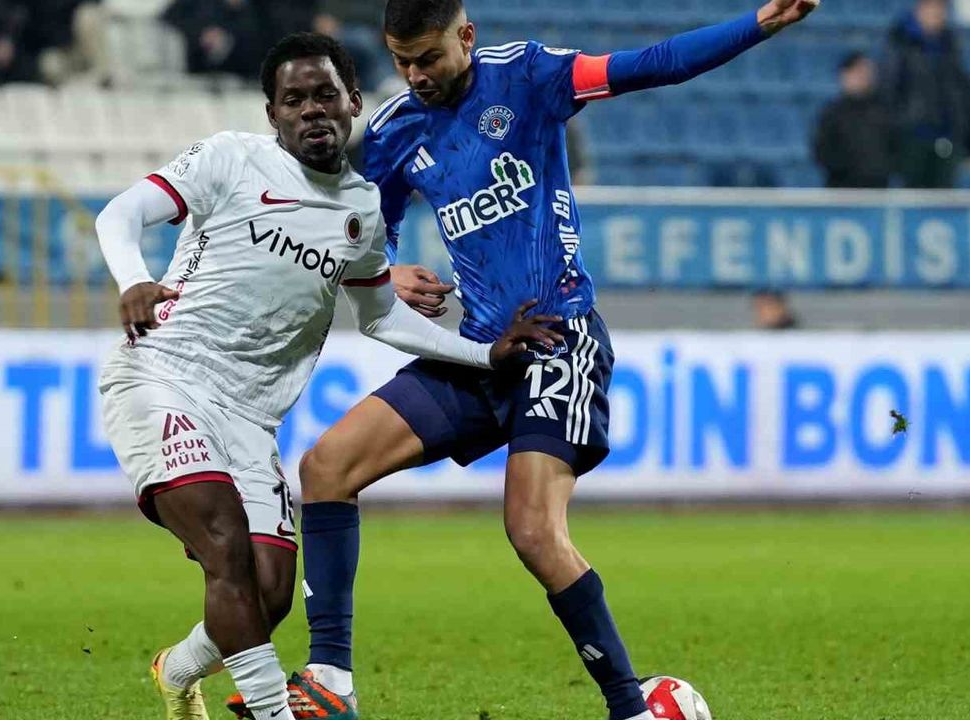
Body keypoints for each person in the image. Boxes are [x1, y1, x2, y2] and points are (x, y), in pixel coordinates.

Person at [249, 2, 819, 720]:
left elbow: (652, 65)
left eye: (429, 58)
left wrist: (757, 23)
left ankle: (630, 706)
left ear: (466, 36)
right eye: (402, 61)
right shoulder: (395, 130)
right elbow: (362, 233)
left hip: (559, 339)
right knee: (326, 467)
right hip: (485, 348)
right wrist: (387, 272)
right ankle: (331, 675)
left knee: (532, 529)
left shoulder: (528, 76)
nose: (416, 75)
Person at [93, 32, 558, 720]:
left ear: (353, 102)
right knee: (225, 543)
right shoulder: (229, 158)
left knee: (269, 593)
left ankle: (178, 670)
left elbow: (383, 317)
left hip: (251, 420)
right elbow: (121, 213)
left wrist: (484, 355)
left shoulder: (360, 210)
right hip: (165, 376)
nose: (312, 109)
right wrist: (134, 279)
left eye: (325, 95)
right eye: (294, 99)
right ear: (273, 113)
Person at [881, 0, 970, 189]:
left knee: (945, 195)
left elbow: (959, 85)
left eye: (941, 9)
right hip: (913, 135)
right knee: (914, 194)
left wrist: (960, 120)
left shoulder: (950, 44)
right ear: (920, 9)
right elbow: (890, 86)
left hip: (947, 133)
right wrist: (900, 122)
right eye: (932, 8)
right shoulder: (900, 41)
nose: (937, 14)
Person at [813, 52, 895, 188]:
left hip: (878, 189)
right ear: (845, 75)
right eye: (858, 72)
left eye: (867, 72)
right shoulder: (832, 113)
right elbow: (821, 152)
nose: (864, 77)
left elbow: (895, 147)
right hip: (842, 190)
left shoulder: (885, 111)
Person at [160, 0, 269, 77]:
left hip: (248, 79)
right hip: (199, 76)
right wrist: (201, 35)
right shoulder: (197, 5)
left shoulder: (263, 8)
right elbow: (168, 18)